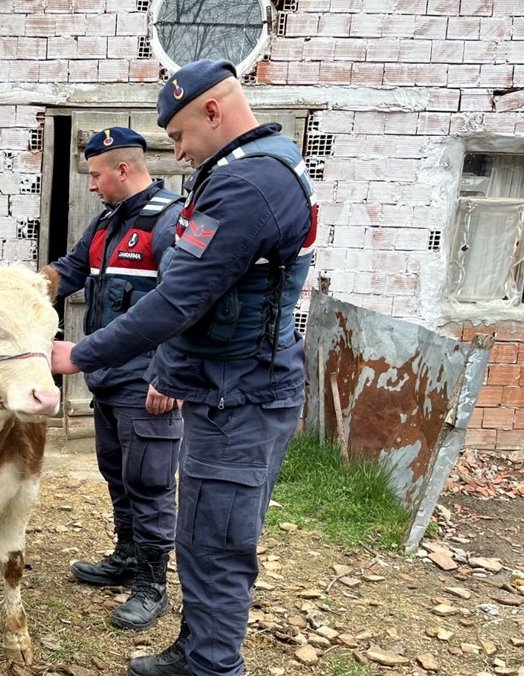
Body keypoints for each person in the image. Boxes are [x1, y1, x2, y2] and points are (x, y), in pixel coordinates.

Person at [51, 60, 318, 676]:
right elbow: (199, 296)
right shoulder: (244, 173)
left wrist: (78, 354)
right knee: (202, 535)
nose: (177, 150)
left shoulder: (248, 185)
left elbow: (178, 298)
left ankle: (211, 665)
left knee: (215, 544)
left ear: (214, 111)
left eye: (178, 135)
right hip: (223, 388)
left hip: (241, 396)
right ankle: (196, 649)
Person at [48, 126, 183, 631]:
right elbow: (72, 269)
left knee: (149, 482)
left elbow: (185, 304)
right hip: (107, 378)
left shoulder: (169, 222)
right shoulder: (107, 223)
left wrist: (171, 376)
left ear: (122, 170)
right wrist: (15, 292)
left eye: (96, 175)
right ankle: (127, 556)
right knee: (117, 472)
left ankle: (153, 583)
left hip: (148, 381)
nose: (90, 185)